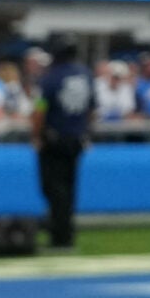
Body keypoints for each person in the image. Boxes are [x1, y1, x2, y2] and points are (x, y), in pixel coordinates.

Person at [29, 47, 93, 249]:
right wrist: (86, 132)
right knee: (69, 187)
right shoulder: (85, 75)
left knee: (53, 188)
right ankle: (66, 232)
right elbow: (91, 108)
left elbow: (40, 109)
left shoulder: (50, 78)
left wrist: (36, 136)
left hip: (54, 140)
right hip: (76, 139)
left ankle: (60, 235)